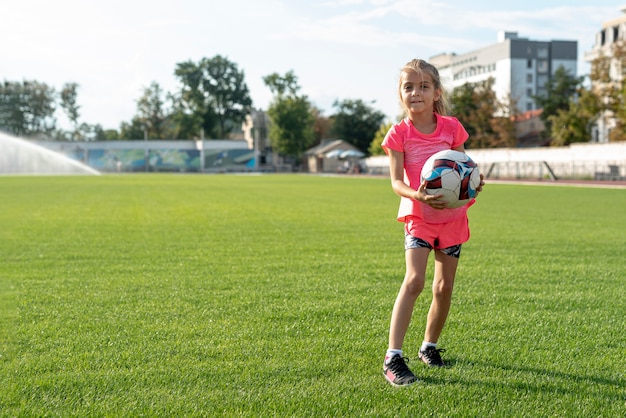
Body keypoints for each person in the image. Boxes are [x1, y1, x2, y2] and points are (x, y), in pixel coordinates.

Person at [381, 59, 484, 387]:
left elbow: (463, 167)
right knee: (414, 281)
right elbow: (396, 182)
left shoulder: (452, 128)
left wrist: (473, 185)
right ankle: (393, 357)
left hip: (452, 219)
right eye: (408, 87)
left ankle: (429, 347)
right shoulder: (399, 134)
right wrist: (418, 196)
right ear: (400, 94)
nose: (416, 92)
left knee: (444, 287)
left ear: (436, 92)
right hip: (420, 216)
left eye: (424, 86)